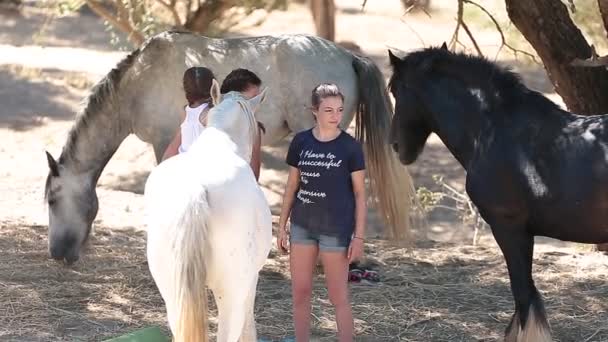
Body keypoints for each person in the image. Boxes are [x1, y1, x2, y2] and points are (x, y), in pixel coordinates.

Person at [276, 83, 366, 342]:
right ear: (314, 110)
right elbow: (292, 186)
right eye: (328, 110)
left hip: (336, 231)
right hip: (302, 228)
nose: (335, 116)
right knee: (300, 294)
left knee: (338, 297)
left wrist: (358, 237)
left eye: (339, 109)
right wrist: (282, 227)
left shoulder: (350, 147)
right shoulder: (301, 141)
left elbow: (360, 194)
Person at [219, 68, 266, 181]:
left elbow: (254, 172)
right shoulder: (211, 122)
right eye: (253, 98)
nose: (257, 104)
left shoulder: (254, 127)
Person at [161, 66, 215, 161]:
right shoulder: (210, 113)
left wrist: (164, 161)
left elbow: (177, 141)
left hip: (184, 164)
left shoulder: (185, 112)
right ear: (213, 86)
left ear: (186, 89)